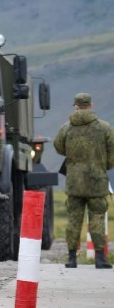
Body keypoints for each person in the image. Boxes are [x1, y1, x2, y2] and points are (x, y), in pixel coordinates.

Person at [54, 92, 114, 269]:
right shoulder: (104, 128)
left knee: (73, 219)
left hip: (74, 181)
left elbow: (59, 147)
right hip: (97, 181)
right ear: (91, 105)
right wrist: (105, 165)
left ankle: (71, 258)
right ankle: (100, 258)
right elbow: (112, 152)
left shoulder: (66, 128)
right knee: (97, 217)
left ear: (76, 106)